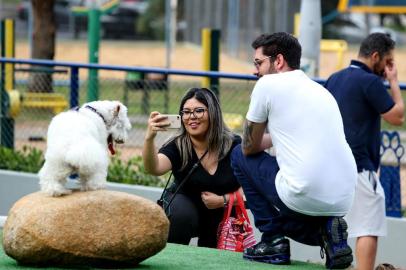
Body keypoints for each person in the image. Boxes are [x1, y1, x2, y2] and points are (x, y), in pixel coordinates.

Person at [230, 32, 357, 269]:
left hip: (304, 193)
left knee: (237, 154)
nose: (255, 71)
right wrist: (276, 138)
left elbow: (248, 147)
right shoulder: (321, 91)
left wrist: (268, 139)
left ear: (278, 61)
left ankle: (272, 241)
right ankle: (329, 233)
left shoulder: (268, 84)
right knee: (294, 202)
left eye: (259, 63)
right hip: (343, 199)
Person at [324, 33, 404, 270]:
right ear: (375, 56)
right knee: (368, 226)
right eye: (387, 62)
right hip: (359, 167)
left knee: (337, 227)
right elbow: (398, 116)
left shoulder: (334, 79)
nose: (387, 68)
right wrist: (393, 80)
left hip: (332, 166)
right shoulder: (369, 81)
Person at [142, 87, 242, 248]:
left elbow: (251, 188)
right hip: (186, 212)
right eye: (186, 112)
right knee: (181, 214)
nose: (191, 117)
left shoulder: (234, 145)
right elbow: (155, 168)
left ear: (213, 113)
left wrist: (222, 200)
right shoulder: (178, 145)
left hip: (222, 215)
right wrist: (149, 139)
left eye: (199, 111)